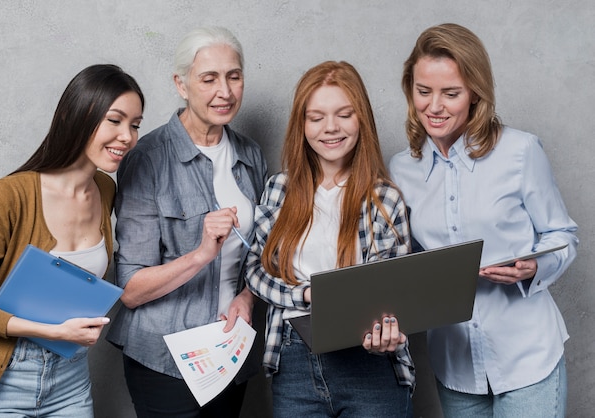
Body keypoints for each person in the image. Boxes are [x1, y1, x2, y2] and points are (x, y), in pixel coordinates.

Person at [389, 23, 578, 417]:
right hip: (455, 364)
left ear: (475, 93)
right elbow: (413, 260)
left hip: (528, 358)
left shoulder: (521, 151)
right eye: (424, 92)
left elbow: (562, 234)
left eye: (451, 93)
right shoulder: (403, 168)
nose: (435, 106)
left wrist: (534, 266)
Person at [106, 26, 267, 418]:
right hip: (166, 359)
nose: (224, 92)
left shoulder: (250, 154)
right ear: (181, 84)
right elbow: (130, 290)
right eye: (208, 78)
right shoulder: (147, 158)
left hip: (232, 352)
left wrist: (247, 298)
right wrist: (200, 255)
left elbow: (265, 251)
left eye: (234, 76)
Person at [0, 64, 144, 418]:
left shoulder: (105, 189)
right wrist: (52, 330)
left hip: (71, 378)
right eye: (115, 120)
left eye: (135, 124)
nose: (127, 136)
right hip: (5, 379)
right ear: (74, 116)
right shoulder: (10, 196)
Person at [245, 61, 415, 418]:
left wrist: (386, 331)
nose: (330, 128)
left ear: (361, 119)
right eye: (316, 117)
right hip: (292, 360)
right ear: (301, 124)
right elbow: (256, 271)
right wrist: (304, 294)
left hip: (368, 362)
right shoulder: (279, 189)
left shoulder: (385, 200)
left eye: (344, 114)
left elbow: (393, 291)